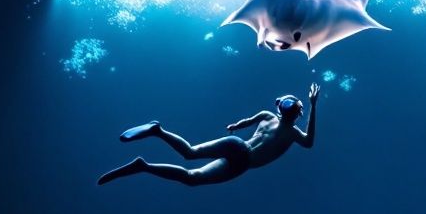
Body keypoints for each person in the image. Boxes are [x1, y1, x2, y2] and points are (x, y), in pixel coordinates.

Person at [98, 83, 320, 186]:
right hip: (243, 160)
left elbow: (246, 121)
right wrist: (313, 105)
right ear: (298, 112)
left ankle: (157, 132)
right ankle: (144, 164)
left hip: (237, 145)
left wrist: (235, 126)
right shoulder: (293, 133)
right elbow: (309, 142)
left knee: (190, 153)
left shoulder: (268, 116)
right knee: (192, 177)